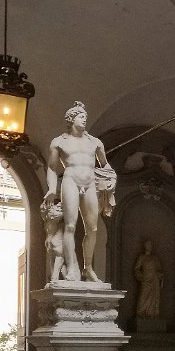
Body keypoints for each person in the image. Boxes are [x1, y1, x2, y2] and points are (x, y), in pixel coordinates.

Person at [45, 101, 116, 283]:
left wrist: (112, 178)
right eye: (81, 117)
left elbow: (105, 165)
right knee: (70, 226)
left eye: (85, 117)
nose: (84, 120)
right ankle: (71, 268)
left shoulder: (95, 142)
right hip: (71, 180)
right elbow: (52, 168)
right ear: (71, 119)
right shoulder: (59, 142)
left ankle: (88, 268)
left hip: (90, 182)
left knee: (92, 228)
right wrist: (52, 188)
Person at [134, 239, 163, 317]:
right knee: (143, 296)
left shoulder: (155, 258)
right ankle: (141, 312)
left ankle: (152, 313)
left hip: (154, 279)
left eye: (150, 245)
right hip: (145, 279)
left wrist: (160, 274)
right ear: (145, 246)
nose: (149, 246)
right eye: (148, 245)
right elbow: (137, 268)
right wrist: (140, 275)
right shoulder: (142, 257)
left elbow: (159, 269)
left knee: (154, 297)